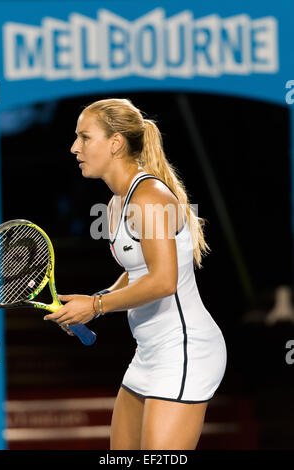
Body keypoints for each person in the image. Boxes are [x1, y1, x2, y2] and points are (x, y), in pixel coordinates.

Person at [44, 98, 227, 450]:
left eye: (84, 137)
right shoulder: (116, 203)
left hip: (185, 352)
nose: (74, 148)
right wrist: (92, 305)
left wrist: (96, 305)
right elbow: (138, 271)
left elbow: (163, 281)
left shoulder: (149, 198)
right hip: (149, 354)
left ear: (114, 144)